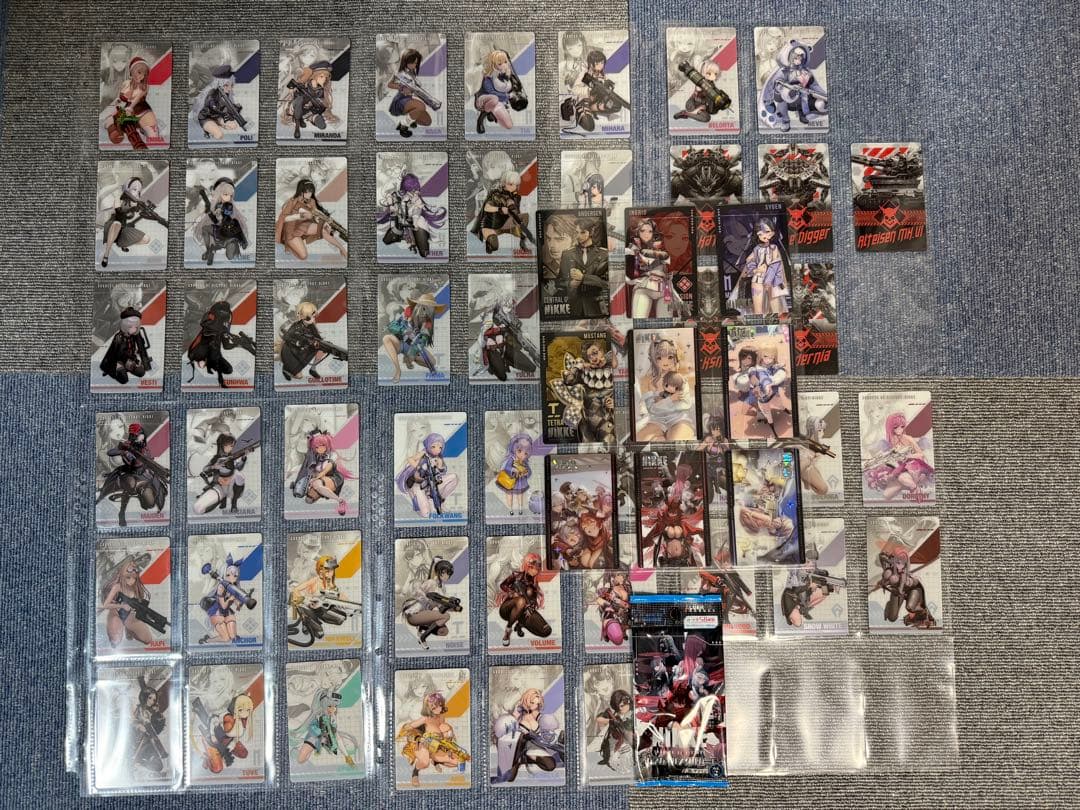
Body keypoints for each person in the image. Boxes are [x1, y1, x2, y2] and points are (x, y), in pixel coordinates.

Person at [398, 692, 470, 786]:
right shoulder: (425, 718)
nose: (438, 709)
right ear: (429, 707)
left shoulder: (441, 717)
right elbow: (407, 728)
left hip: (437, 746)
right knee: (425, 763)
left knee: (458, 762)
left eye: (440, 705)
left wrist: (448, 735)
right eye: (434, 707)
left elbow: (442, 731)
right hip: (425, 744)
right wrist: (417, 737)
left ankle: (436, 761)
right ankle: (415, 773)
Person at [275, 178, 347, 261]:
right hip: (291, 229)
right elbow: (283, 218)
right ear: (301, 191)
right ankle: (288, 244)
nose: (309, 194)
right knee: (303, 256)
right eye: (307, 192)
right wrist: (300, 216)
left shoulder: (311, 201)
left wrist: (324, 223)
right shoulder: (292, 202)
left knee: (323, 230)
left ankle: (342, 249)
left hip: (304, 225)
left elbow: (315, 216)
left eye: (311, 192)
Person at [396, 432, 459, 518]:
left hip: (432, 483)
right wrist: (418, 466)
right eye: (433, 446)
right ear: (428, 445)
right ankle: (418, 500)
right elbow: (410, 459)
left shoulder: (438, 457)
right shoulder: (424, 453)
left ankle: (440, 500)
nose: (437, 450)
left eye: (440, 447)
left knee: (454, 477)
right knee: (426, 514)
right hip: (418, 484)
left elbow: (441, 472)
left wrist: (439, 465)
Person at [98, 554, 156, 646]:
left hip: (130, 615)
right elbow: (106, 605)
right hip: (116, 612)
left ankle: (129, 630)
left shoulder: (136, 588)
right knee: (115, 640)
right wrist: (121, 605)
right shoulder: (117, 586)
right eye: (128, 577)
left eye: (134, 577)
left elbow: (140, 604)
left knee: (147, 639)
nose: (131, 580)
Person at [291, 430, 348, 516]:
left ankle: (340, 500)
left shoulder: (332, 456)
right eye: (317, 447)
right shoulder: (315, 457)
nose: (320, 449)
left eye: (322, 446)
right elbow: (309, 453)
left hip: (333, 477)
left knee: (316, 484)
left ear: (326, 445)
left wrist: (314, 479)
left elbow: (324, 471)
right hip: (320, 478)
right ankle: (321, 491)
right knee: (309, 500)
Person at [100, 306, 152, 385]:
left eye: (135, 325)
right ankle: (112, 370)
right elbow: (117, 354)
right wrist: (129, 362)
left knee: (141, 372)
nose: (134, 328)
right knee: (124, 379)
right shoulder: (119, 337)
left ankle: (125, 367)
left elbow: (140, 347)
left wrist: (139, 361)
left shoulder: (135, 335)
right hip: (115, 360)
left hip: (129, 359)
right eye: (131, 325)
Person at [388, 49, 434, 138]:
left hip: (409, 100)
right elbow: (389, 84)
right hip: (400, 101)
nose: (414, 65)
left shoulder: (412, 73)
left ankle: (409, 119)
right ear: (405, 61)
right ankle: (403, 126)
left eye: (416, 63)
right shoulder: (400, 73)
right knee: (421, 106)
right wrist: (401, 87)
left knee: (427, 122)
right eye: (412, 62)